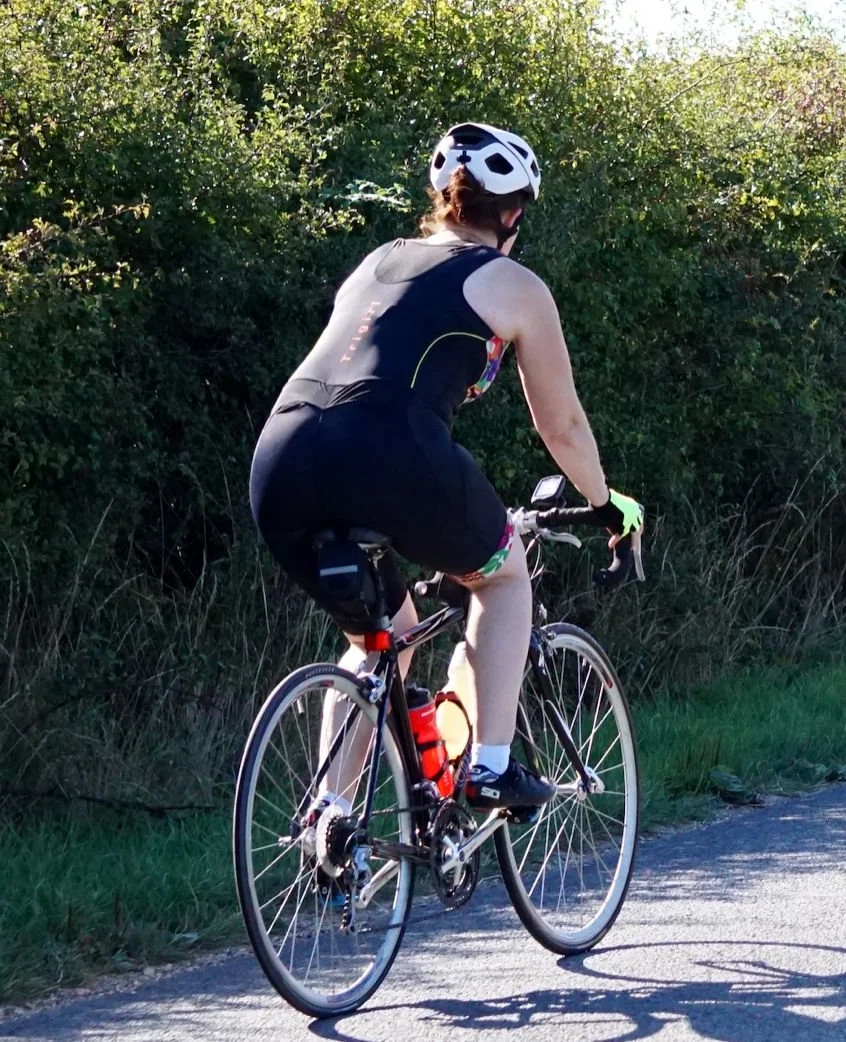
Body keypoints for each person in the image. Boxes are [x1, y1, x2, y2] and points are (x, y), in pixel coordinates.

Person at [249, 122, 644, 813]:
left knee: (385, 639)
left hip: (282, 454)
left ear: (441, 198)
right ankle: (490, 766)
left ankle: (332, 822)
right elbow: (563, 425)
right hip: (387, 448)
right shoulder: (513, 284)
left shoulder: (375, 262)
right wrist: (606, 503)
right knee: (505, 572)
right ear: (514, 212)